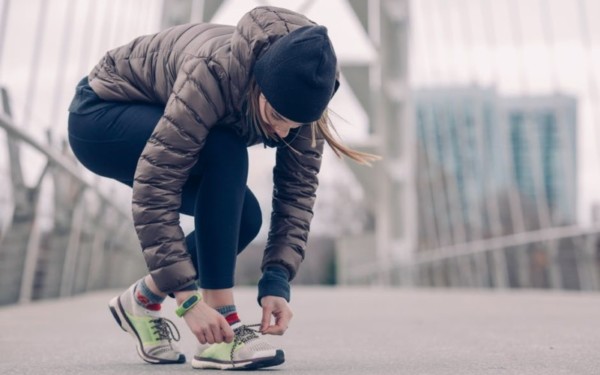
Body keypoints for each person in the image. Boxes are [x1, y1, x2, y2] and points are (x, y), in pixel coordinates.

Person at [67, 5, 377, 371]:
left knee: (243, 217)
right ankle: (223, 324)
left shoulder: (307, 94)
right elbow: (156, 187)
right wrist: (186, 299)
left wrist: (277, 280)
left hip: (158, 122)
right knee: (225, 148)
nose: (282, 133)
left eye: (295, 125)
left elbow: (297, 194)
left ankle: (142, 299)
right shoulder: (213, 73)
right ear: (259, 85)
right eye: (277, 117)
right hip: (101, 115)